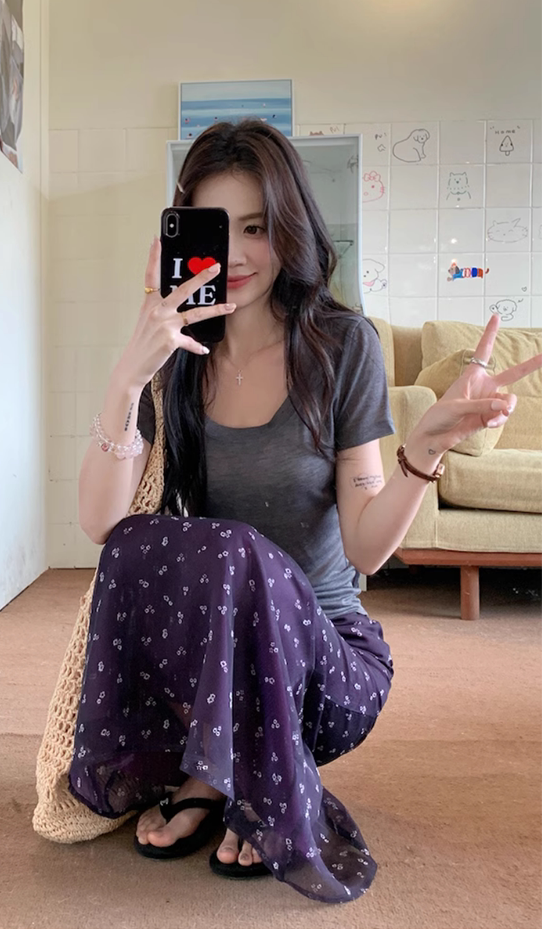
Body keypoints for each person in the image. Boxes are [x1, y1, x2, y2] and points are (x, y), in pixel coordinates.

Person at [68, 120, 540, 903]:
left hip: (323, 664)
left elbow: (364, 550)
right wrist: (128, 373)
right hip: (215, 669)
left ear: (290, 226)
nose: (238, 252)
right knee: (148, 541)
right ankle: (218, 771)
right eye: (218, 229)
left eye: (257, 227)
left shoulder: (340, 345)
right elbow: (101, 526)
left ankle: (249, 777)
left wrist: (423, 446)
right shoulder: (177, 359)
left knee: (233, 547)